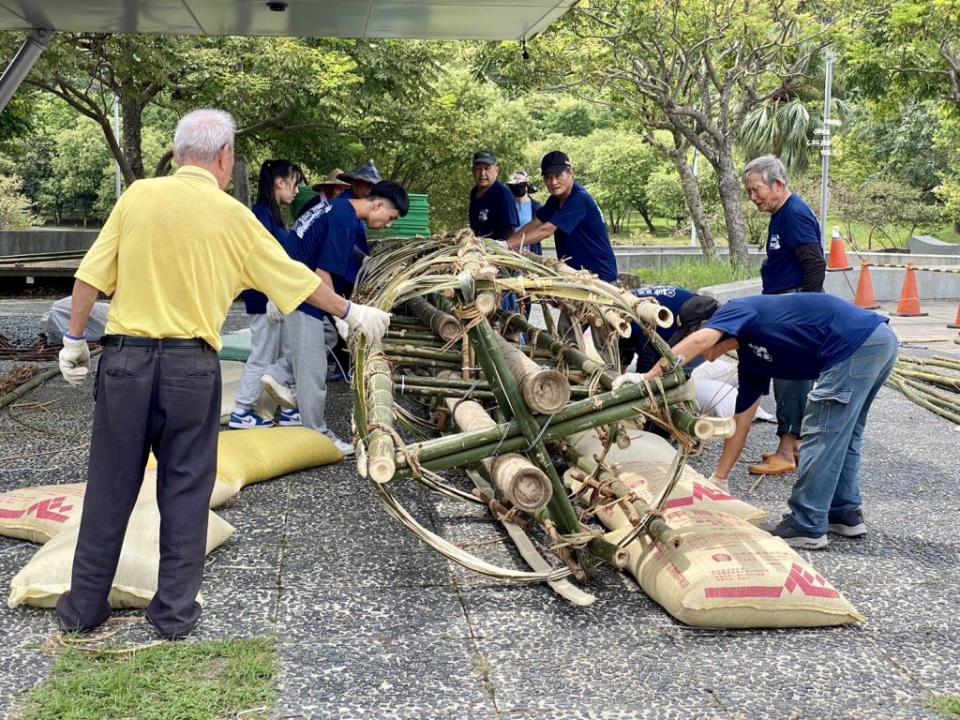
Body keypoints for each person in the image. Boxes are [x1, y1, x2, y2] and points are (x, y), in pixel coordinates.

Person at [55, 108, 390, 640]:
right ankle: (172, 614)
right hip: (190, 368)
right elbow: (297, 281)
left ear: (177, 150)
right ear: (226, 158)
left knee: (109, 487)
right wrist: (352, 314)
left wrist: (75, 341)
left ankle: (82, 611)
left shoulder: (138, 196)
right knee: (187, 490)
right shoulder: (236, 217)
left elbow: (90, 275)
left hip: (125, 362)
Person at [614, 293, 897, 550]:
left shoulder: (737, 309)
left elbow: (700, 341)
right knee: (845, 434)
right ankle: (844, 512)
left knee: (823, 434)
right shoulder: (753, 357)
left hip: (856, 342)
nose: (700, 352)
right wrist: (719, 479)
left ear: (707, 325)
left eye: (691, 335)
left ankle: (807, 524)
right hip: (874, 342)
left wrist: (646, 378)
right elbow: (741, 423)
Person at [274, 180, 409, 453]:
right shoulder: (345, 220)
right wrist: (345, 314)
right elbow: (322, 274)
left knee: (324, 335)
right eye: (391, 218)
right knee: (314, 368)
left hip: (288, 283)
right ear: (379, 205)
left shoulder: (335, 208)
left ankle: (275, 374)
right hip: (300, 293)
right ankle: (317, 436)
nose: (388, 225)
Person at [743, 154, 826, 477]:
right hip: (782, 305)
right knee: (786, 378)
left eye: (756, 190)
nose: (753, 197)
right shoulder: (780, 214)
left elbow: (814, 262)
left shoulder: (794, 214)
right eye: (749, 192)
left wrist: (808, 310)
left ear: (777, 184)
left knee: (792, 380)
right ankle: (792, 448)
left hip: (794, 307)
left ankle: (786, 452)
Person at [507, 150, 619, 366]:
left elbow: (545, 230)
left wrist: (509, 245)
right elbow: (536, 223)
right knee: (567, 336)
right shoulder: (556, 200)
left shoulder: (579, 199)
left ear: (572, 173)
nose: (553, 181)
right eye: (548, 177)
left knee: (603, 340)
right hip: (576, 279)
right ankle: (569, 379)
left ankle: (615, 386)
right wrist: (510, 242)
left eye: (558, 175)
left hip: (599, 282)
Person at [229, 159, 302, 430]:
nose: (296, 190)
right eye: (294, 182)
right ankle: (241, 410)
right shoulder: (260, 215)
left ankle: (288, 408)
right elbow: (257, 259)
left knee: (280, 353)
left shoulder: (272, 215)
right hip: (264, 298)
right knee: (262, 355)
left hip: (276, 297)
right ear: (279, 182)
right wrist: (270, 295)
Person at [469, 151, 519, 242]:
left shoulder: (502, 193)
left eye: (487, 168)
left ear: (497, 171)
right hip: (477, 248)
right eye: (478, 168)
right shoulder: (474, 192)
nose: (482, 173)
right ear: (473, 171)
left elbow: (509, 231)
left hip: (495, 250)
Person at [505, 171, 542, 255]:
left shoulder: (537, 207)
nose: (518, 188)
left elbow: (541, 231)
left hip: (530, 250)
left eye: (521, 185)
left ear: (526, 186)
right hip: (510, 250)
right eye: (515, 186)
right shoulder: (506, 206)